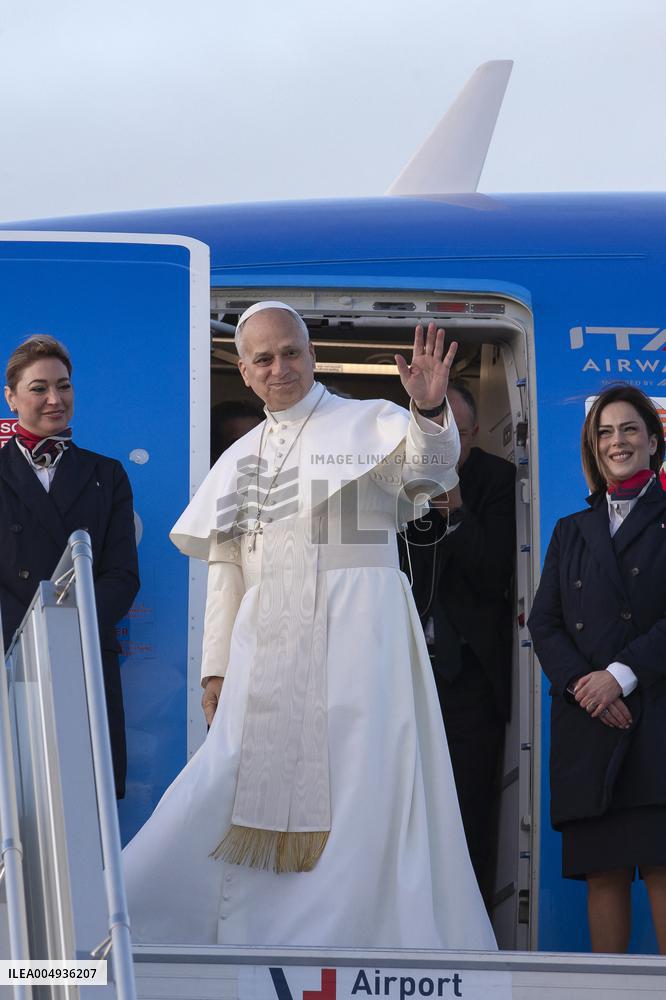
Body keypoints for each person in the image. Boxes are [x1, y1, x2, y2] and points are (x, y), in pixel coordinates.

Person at [123, 301, 496, 951]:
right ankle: (148, 923)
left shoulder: (366, 422)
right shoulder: (240, 459)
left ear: (311, 354)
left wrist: (432, 412)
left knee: (360, 784)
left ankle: (352, 939)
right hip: (266, 644)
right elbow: (228, 570)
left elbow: (430, 471)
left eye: (290, 352)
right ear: (243, 371)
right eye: (263, 358)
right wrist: (215, 669)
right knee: (230, 781)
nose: (280, 368)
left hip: (360, 630)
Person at [528, 384, 666, 954]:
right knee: (603, 874)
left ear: (654, 440)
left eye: (630, 429)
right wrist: (586, 687)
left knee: (662, 868)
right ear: (592, 445)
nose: (618, 441)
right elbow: (545, 623)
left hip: (656, 718)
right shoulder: (570, 530)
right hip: (590, 723)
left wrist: (621, 675)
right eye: (605, 432)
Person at [1, 335, 140, 798]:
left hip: (82, 657)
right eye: (39, 388)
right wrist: (28, 634)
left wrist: (66, 628)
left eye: (64, 386)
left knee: (82, 802)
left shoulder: (108, 474)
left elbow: (122, 575)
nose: (55, 399)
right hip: (8, 658)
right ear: (12, 397)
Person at [401, 379, 515, 906]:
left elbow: (497, 576)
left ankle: (464, 929)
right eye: (434, 434)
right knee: (403, 806)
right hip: (401, 674)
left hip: (468, 676)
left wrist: (457, 511)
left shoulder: (498, 480)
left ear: (474, 435)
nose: (446, 446)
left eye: (457, 435)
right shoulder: (392, 482)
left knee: (467, 807)